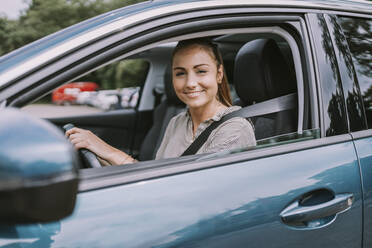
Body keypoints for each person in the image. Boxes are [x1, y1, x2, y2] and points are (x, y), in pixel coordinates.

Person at [65, 38, 256, 165]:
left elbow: (191, 192)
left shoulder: (234, 129)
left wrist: (107, 150)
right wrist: (97, 149)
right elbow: (156, 177)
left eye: (201, 71)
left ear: (219, 74)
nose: (190, 83)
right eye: (180, 73)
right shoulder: (177, 122)